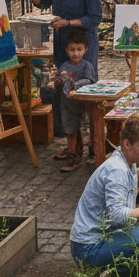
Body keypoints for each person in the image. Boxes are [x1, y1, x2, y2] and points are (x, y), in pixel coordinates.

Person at [12, 0, 103, 141]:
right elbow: (41, 0)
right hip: (63, 44)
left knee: (82, 92)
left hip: (82, 47)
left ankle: (90, 141)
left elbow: (95, 17)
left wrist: (68, 22)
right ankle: (72, 143)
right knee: (64, 92)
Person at [69, 115, 139, 275]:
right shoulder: (116, 170)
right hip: (88, 249)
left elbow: (125, 186)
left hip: (99, 240)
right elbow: (116, 216)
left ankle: (120, 267)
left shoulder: (124, 161)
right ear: (127, 144)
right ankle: (112, 274)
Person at [52, 27, 98, 172]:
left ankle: (85, 153)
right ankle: (72, 153)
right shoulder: (65, 66)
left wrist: (75, 87)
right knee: (69, 128)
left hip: (82, 104)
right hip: (66, 104)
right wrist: (57, 80)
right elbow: (59, 82)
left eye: (79, 49)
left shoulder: (87, 66)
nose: (76, 53)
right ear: (67, 50)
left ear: (85, 49)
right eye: (72, 50)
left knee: (83, 129)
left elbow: (91, 81)